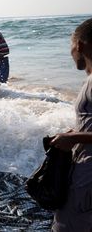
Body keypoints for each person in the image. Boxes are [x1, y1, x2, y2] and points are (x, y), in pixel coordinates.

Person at [50, 18, 92, 231]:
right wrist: (77, 133)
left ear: (80, 46)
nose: (70, 54)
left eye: (71, 48)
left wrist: (75, 138)